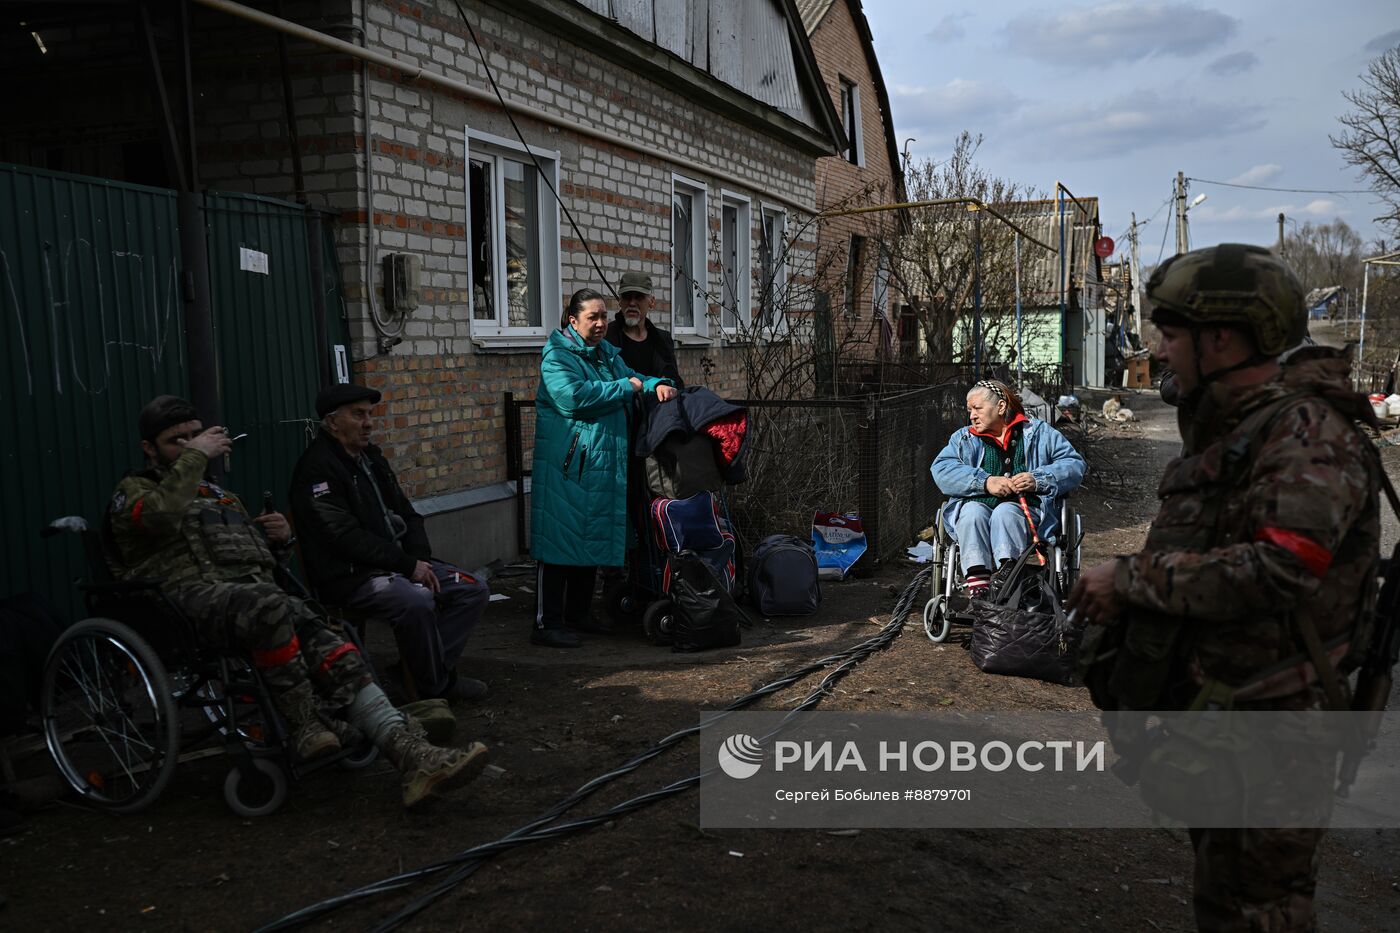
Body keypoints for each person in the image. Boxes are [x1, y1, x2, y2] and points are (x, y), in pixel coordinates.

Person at [1068, 244, 1380, 932]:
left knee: (1258, 912)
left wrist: (1129, 580)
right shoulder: (1245, 426)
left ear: (1223, 338)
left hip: (1278, 739)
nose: (1161, 351)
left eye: (1172, 335)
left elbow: (1279, 570)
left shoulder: (1307, 437)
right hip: (1233, 726)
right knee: (1225, 902)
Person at [106, 395, 488, 808]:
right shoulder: (135, 492)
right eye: (175, 441)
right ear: (149, 449)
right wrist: (195, 457)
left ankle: (413, 755)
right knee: (274, 605)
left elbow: (262, 564)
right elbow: (160, 517)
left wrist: (277, 539)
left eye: (194, 437)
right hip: (184, 603)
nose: (188, 446)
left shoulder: (218, 497)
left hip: (251, 600)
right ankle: (305, 724)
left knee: (331, 640)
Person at [289, 384, 488, 703]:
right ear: (332, 422)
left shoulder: (371, 458)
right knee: (416, 600)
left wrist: (419, 560)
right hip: (352, 575)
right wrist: (408, 566)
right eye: (358, 415)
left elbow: (407, 513)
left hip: (395, 564)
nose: (368, 422)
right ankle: (435, 685)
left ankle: (420, 674)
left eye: (370, 414)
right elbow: (343, 537)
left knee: (472, 589)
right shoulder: (318, 469)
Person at [531, 288, 676, 647]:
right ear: (572, 320)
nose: (600, 324)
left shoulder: (606, 355)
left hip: (597, 465)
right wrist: (625, 387)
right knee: (558, 544)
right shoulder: (557, 356)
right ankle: (547, 623)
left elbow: (635, 377)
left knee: (587, 538)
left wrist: (658, 384)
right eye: (592, 317)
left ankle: (578, 615)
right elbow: (574, 398)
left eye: (602, 316)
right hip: (567, 467)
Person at [930, 379, 1085, 596]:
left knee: (1005, 512)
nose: (971, 415)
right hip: (978, 505)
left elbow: (1074, 465)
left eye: (977, 408)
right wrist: (985, 482)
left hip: (1025, 510)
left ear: (1001, 407)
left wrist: (1037, 479)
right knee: (972, 513)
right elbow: (942, 470)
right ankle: (979, 588)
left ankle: (1006, 576)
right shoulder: (963, 439)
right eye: (969, 410)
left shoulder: (1039, 433)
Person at [603, 271, 683, 387]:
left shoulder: (662, 340)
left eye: (639, 297)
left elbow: (675, 383)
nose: (632, 303)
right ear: (619, 301)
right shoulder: (606, 337)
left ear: (652, 301)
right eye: (627, 297)